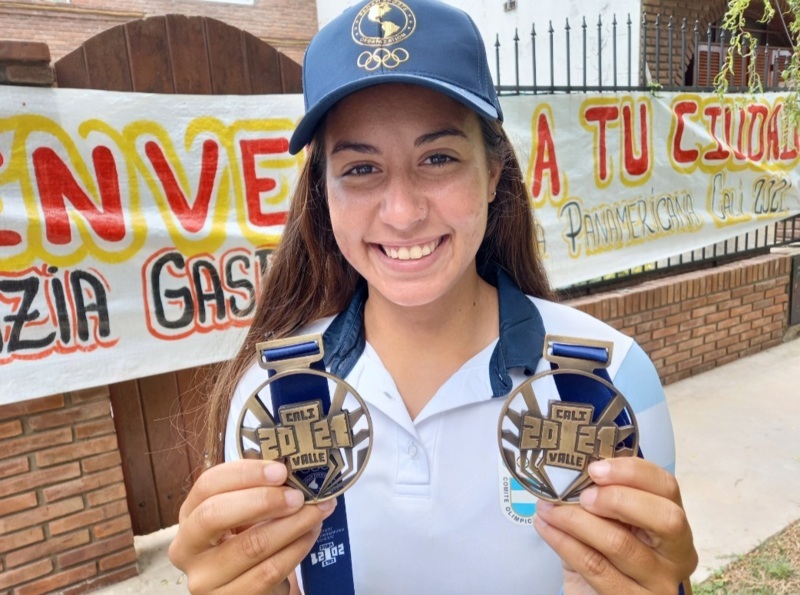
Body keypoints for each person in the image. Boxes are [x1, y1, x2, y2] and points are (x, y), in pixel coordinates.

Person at [168, 0, 698, 593]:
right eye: (361, 169)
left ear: (495, 170)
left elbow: (647, 570)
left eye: (438, 158)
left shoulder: (610, 380)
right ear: (322, 190)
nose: (402, 212)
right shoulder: (278, 394)